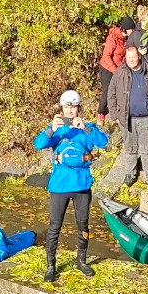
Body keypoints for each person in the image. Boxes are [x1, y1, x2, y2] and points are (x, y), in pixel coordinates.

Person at [33, 89, 108, 283]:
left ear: (78, 108)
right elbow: (39, 144)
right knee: (54, 226)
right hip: (59, 185)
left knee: (82, 224)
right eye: (66, 106)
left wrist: (86, 128)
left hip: (82, 185)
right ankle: (51, 266)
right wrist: (51, 129)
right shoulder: (57, 130)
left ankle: (81, 261)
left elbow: (103, 142)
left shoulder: (87, 127)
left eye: (73, 107)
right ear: (62, 108)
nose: (70, 111)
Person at [107, 41, 148, 187]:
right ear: (125, 57)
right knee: (130, 149)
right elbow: (111, 93)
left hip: (147, 118)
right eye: (129, 57)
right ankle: (131, 174)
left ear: (139, 56)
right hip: (127, 119)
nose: (131, 60)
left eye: (134, 57)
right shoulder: (120, 72)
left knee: (147, 149)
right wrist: (115, 115)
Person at [97, 16, 137, 126]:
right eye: (131, 29)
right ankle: (101, 113)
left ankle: (116, 111)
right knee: (107, 90)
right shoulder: (112, 38)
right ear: (125, 29)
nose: (132, 31)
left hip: (118, 68)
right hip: (107, 68)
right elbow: (106, 56)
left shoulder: (126, 39)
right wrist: (115, 70)